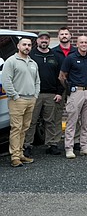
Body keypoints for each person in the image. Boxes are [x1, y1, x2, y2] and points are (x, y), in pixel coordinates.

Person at [24, 32, 64, 157]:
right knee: (32, 121)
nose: (44, 40)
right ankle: (27, 145)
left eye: (46, 38)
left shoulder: (55, 55)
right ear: (37, 41)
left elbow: (60, 76)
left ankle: (51, 144)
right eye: (41, 38)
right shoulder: (31, 55)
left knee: (50, 120)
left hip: (51, 94)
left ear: (49, 41)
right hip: (34, 94)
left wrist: (59, 92)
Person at [2, 36, 39, 167]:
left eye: (29, 45)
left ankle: (21, 153)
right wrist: (15, 96)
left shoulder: (33, 63)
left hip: (30, 100)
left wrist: (35, 95)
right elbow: (7, 81)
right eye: (24, 44)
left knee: (24, 128)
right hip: (18, 100)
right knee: (16, 129)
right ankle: (15, 157)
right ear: (18, 46)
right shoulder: (11, 61)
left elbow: (37, 81)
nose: (27, 47)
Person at [59, 35, 87, 158]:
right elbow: (62, 76)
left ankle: (84, 146)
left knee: (86, 121)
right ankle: (69, 148)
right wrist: (70, 88)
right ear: (77, 44)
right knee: (72, 121)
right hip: (76, 92)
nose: (84, 44)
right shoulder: (70, 58)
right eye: (82, 42)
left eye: (86, 42)